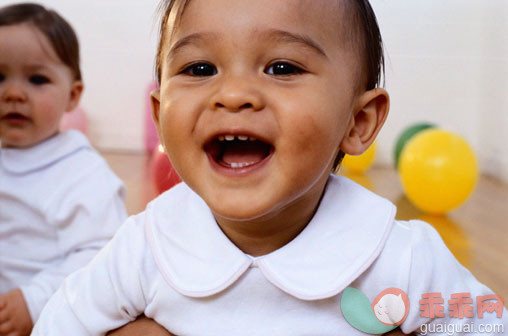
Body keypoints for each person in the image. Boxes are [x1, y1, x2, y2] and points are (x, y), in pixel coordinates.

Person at [33, 0, 507, 334]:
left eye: (282, 67)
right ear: (159, 115)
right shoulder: (145, 245)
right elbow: (60, 321)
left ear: (358, 121)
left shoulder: (401, 258)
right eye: (200, 69)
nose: (233, 94)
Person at [0, 3, 127, 335]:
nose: (13, 93)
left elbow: (101, 259)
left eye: (37, 79)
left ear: (72, 96)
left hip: (53, 315)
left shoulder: (81, 174)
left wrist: (34, 301)